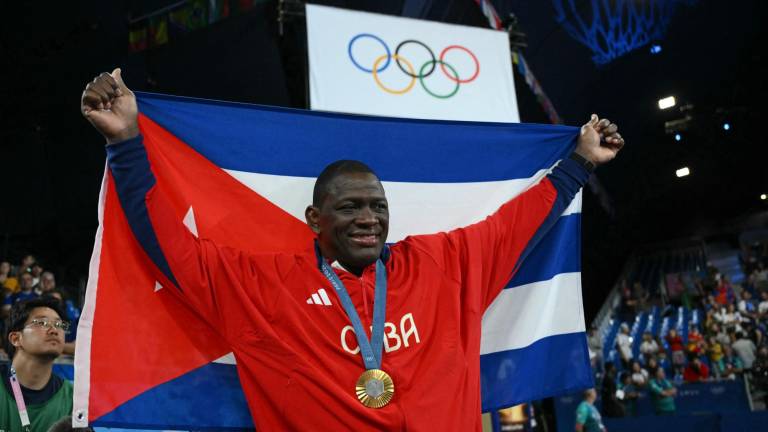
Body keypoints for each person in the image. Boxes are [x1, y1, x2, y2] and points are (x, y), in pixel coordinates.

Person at [80, 69, 624, 431]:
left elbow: (516, 226)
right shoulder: (265, 285)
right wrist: (127, 142)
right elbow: (174, 251)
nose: (368, 218)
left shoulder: (443, 265)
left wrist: (578, 163)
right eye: (349, 208)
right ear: (315, 219)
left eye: (377, 206)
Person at [0, 297, 73, 431]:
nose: (54, 330)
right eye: (42, 323)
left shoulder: (73, 400)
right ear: (16, 338)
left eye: (59, 325)